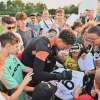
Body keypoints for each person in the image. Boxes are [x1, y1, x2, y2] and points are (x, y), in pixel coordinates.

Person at [0, 33, 33, 100]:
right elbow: (17, 87)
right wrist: (37, 89)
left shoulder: (12, 55)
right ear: (8, 46)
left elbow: (23, 68)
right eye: (16, 46)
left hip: (23, 92)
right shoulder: (1, 68)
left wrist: (37, 70)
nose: (18, 49)